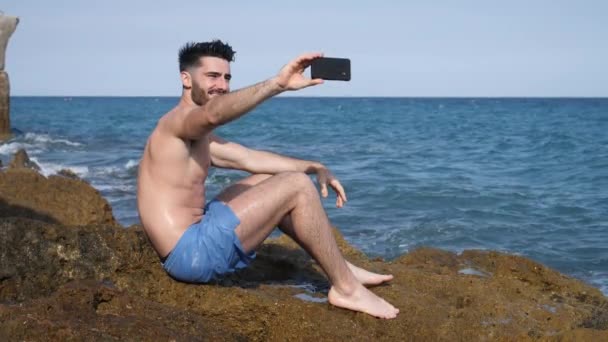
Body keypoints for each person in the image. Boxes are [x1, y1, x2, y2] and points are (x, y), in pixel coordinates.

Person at [136, 40, 399, 319]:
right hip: (191, 254)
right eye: (212, 76)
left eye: (226, 77)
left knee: (270, 178)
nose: (222, 85)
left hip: (195, 236)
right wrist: (278, 84)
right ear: (186, 79)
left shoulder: (196, 136)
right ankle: (346, 289)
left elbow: (248, 158)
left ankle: (340, 266)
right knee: (295, 187)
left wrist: (314, 166)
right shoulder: (178, 122)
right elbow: (212, 114)